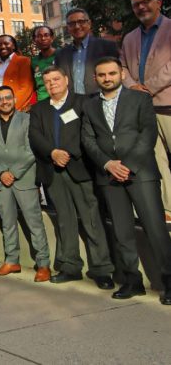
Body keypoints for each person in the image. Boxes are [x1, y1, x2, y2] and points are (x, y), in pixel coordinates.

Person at [81, 57, 171, 304]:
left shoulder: (140, 99)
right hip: (109, 176)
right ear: (95, 78)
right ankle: (133, 281)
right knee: (122, 231)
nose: (107, 78)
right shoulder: (89, 106)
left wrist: (128, 165)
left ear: (121, 74)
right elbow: (88, 139)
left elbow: (148, 133)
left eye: (111, 73)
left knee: (155, 229)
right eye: (102, 75)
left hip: (140, 173)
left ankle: (169, 281)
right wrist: (108, 164)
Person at [29, 66, 114, 288]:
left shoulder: (83, 102)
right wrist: (52, 153)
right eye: (47, 81)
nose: (52, 84)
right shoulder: (38, 109)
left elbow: (89, 132)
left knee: (91, 219)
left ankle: (102, 269)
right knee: (65, 222)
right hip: (53, 171)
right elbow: (35, 136)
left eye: (56, 79)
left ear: (66, 80)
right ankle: (70, 266)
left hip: (80, 168)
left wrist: (67, 152)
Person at [0, 86, 51, 281]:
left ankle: (43, 264)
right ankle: (12, 260)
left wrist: (13, 173)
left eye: (8, 98)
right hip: (0, 181)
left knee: (34, 223)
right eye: (0, 99)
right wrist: (1, 173)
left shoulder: (27, 120)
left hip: (24, 178)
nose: (4, 101)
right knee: (7, 223)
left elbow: (31, 150)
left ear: (14, 98)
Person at [121, 0, 171, 218]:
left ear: (159, 3)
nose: (141, 7)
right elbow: (122, 68)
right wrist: (131, 86)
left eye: (146, 2)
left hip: (168, 106)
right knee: (156, 161)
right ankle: (168, 208)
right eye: (136, 5)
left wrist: (147, 88)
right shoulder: (130, 37)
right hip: (143, 111)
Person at [55, 8, 119, 96]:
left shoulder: (107, 47)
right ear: (68, 28)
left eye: (81, 21)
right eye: (72, 23)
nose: (77, 26)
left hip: (100, 101)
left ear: (89, 23)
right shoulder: (61, 54)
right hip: (72, 105)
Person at [0, 35, 35, 114]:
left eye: (6, 43)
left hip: (18, 110)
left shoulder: (23, 61)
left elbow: (26, 87)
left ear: (13, 46)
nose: (3, 46)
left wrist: (9, 109)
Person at [31, 25, 57, 102]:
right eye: (39, 36)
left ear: (52, 38)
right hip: (42, 103)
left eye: (46, 35)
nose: (43, 38)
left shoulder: (62, 55)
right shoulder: (33, 61)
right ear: (34, 40)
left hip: (61, 100)